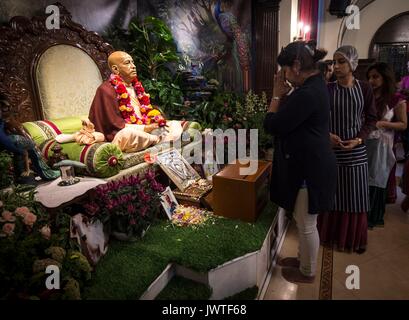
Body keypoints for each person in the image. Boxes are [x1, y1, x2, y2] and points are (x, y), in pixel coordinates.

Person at [264, 40, 337, 283]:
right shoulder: (313, 87)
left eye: (284, 70)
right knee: (302, 219)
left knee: (306, 224)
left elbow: (272, 125)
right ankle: (302, 259)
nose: (283, 76)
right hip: (311, 163)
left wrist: (276, 96)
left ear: (295, 66)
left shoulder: (307, 93)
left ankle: (308, 271)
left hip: (310, 168)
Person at [317, 46, 377, 253]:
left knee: (354, 197)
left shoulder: (365, 88)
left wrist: (359, 139)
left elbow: (371, 119)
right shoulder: (327, 89)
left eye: (341, 61)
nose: (337, 66)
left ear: (352, 63)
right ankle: (329, 237)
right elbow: (318, 119)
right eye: (334, 62)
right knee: (332, 196)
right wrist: (326, 136)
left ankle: (350, 240)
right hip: (331, 151)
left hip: (356, 151)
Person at [89, 51, 188, 153]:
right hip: (125, 133)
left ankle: (157, 141)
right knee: (128, 135)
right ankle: (159, 141)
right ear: (115, 69)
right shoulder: (106, 90)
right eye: (127, 63)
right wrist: (146, 128)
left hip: (144, 128)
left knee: (175, 125)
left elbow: (145, 113)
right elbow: (114, 126)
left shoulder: (136, 87)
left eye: (133, 62)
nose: (133, 66)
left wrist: (154, 121)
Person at [366, 63, 407, 228]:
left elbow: (403, 124)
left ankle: (374, 217)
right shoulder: (368, 96)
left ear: (385, 77)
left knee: (377, 179)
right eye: (369, 77)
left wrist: (384, 123)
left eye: (375, 77)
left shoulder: (396, 99)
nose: (371, 80)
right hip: (366, 142)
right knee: (364, 178)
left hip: (383, 145)